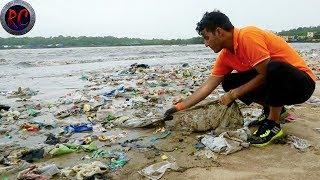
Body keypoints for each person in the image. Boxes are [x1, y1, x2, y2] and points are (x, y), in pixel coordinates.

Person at [163, 10, 316, 147]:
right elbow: (207, 86)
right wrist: (178, 107)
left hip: (301, 84)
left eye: (206, 38)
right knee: (228, 81)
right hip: (278, 87)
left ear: (219, 32)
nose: (205, 44)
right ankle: (276, 109)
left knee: (273, 67)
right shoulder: (225, 55)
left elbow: (266, 74)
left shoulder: (248, 36)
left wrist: (234, 94)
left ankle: (273, 123)